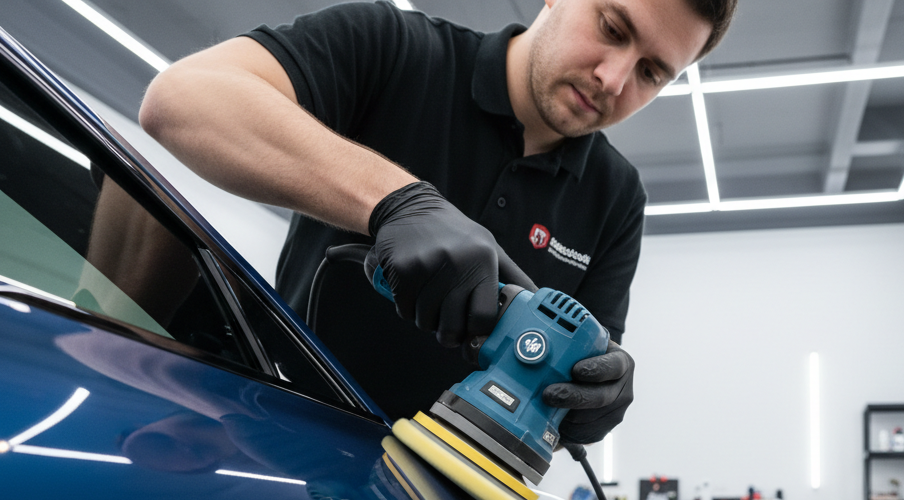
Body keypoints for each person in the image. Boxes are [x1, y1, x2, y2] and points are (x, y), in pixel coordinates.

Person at [140, 0, 736, 444]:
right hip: (275, 437)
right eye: (611, 28)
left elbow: (583, 358)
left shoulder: (618, 195)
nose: (614, 78)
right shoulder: (395, 47)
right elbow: (183, 99)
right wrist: (395, 200)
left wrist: (598, 387)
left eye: (652, 72)